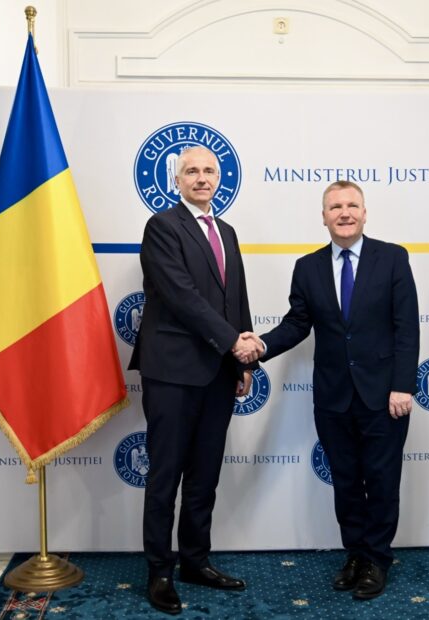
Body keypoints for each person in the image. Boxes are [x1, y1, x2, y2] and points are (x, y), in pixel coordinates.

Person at [238, 180, 418, 600]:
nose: (344, 213)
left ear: (364, 213)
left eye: (352, 205)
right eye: (335, 207)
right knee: (346, 481)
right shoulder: (308, 267)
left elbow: (406, 327)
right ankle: (355, 554)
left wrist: (402, 386)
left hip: (383, 396)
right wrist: (261, 346)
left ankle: (377, 560)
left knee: (382, 481)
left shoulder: (393, 258)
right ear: (324, 217)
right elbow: (297, 324)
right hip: (333, 397)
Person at [129, 145, 263, 615]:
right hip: (172, 371)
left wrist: (243, 361)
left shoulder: (226, 231)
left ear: (219, 179)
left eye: (209, 170)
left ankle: (195, 560)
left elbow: (235, 298)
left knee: (204, 475)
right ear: (177, 180)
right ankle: (159, 571)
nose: (201, 178)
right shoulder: (162, 227)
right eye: (191, 171)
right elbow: (181, 296)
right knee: (166, 475)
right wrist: (233, 343)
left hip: (219, 372)